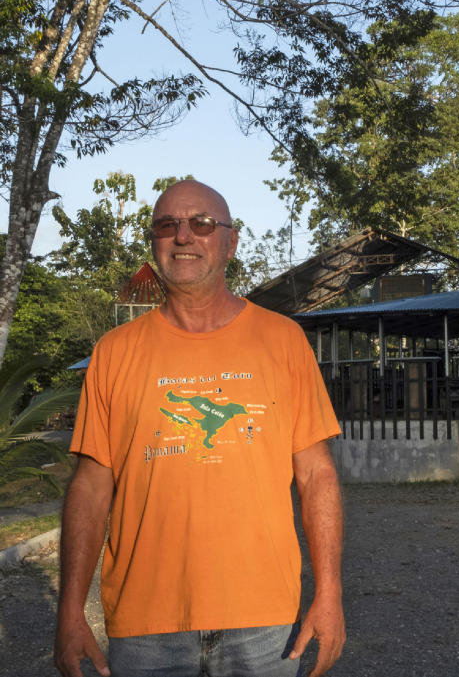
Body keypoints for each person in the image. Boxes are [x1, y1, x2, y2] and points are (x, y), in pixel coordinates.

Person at [54, 181, 345, 677]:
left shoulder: (283, 341)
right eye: (168, 225)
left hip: (264, 620)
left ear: (229, 243)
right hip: (145, 623)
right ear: (154, 243)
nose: (184, 236)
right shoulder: (115, 352)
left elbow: (316, 475)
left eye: (202, 224)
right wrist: (69, 609)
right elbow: (90, 486)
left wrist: (331, 593)